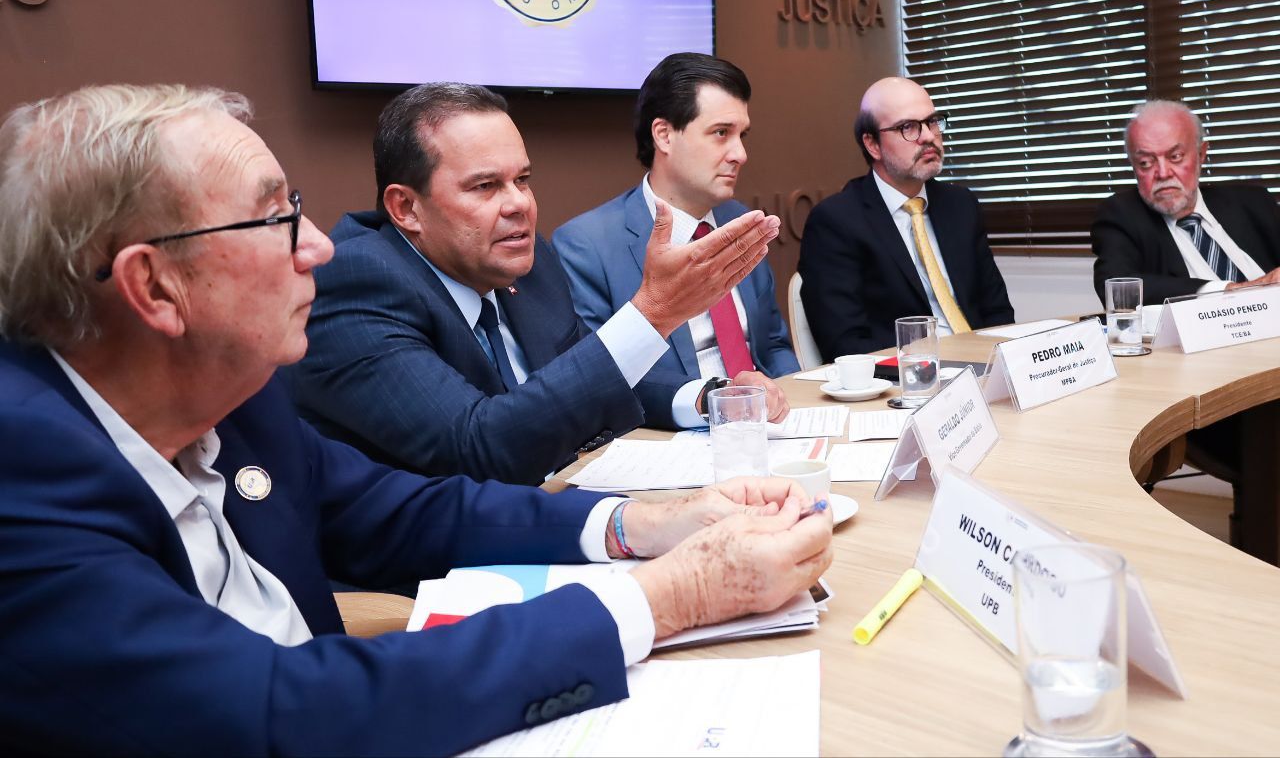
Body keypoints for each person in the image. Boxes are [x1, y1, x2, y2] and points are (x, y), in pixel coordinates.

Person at [0, 84, 833, 756]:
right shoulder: (23, 472)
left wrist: (644, 525)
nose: (317, 245)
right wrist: (668, 595)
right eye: (276, 218)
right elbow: (274, 710)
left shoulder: (237, 396)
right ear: (153, 286)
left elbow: (404, 511)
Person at [286, 83, 780, 484]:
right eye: (485, 186)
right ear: (406, 208)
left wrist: (706, 398)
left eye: (522, 180)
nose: (519, 204)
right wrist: (654, 313)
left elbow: (588, 371)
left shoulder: (527, 259)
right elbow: (478, 447)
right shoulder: (358, 282)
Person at [554, 53, 799, 429]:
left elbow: (774, 344)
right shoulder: (586, 246)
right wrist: (714, 399)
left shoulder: (740, 222)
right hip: (674, 436)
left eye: (742, 135)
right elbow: (600, 378)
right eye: (721, 133)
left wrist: (789, 401)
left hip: (770, 429)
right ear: (664, 135)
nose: (740, 154)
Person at [798, 77, 1014, 360]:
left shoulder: (961, 205)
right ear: (872, 144)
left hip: (983, 365)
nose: (928, 136)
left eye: (932, 122)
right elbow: (846, 344)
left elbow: (997, 311)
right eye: (908, 127)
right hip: (906, 376)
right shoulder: (836, 222)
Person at [1091, 99, 1280, 305]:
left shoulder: (1254, 202)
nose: (1163, 173)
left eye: (1175, 156)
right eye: (1145, 163)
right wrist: (1230, 291)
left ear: (1201, 154)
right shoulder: (1121, 215)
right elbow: (1116, 289)